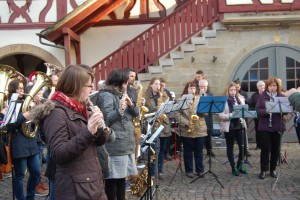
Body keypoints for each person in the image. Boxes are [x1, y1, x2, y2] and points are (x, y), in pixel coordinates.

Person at [34, 64, 110, 199]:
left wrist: (99, 127)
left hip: (91, 184)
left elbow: (99, 143)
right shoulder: (56, 113)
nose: (91, 90)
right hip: (75, 190)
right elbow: (59, 153)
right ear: (76, 86)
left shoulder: (81, 108)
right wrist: (87, 132)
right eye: (89, 86)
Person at [97, 68, 139, 200]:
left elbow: (136, 114)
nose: (127, 85)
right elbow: (106, 120)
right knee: (112, 182)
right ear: (118, 82)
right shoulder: (106, 95)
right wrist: (120, 110)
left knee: (121, 180)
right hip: (115, 145)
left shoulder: (122, 93)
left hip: (125, 143)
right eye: (125, 83)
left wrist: (131, 104)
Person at [6, 79, 41, 200]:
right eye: (18, 88)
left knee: (36, 172)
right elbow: (8, 125)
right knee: (20, 175)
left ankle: (30, 197)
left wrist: (36, 109)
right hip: (19, 143)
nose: (21, 91)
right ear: (13, 90)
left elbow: (34, 123)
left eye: (22, 88)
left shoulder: (26, 102)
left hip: (31, 143)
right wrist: (23, 116)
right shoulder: (11, 104)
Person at [174, 82, 207, 178]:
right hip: (186, 128)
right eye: (190, 88)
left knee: (199, 151)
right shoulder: (181, 100)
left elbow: (205, 114)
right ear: (186, 89)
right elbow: (177, 114)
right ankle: (189, 170)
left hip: (199, 128)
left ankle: (200, 170)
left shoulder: (200, 99)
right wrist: (185, 122)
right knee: (188, 151)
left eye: (194, 88)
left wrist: (203, 97)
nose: (192, 90)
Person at [256, 77, 286, 179]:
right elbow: (258, 111)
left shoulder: (281, 96)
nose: (272, 88)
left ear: (277, 87)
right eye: (270, 86)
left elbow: (286, 111)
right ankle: (263, 170)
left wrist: (281, 108)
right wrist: (267, 110)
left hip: (277, 126)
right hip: (264, 126)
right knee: (265, 148)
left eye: (274, 86)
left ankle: (273, 169)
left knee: (275, 149)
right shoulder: (262, 96)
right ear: (267, 87)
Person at [143, 77, 171, 180]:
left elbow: (169, 110)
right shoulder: (145, 97)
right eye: (155, 84)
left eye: (159, 84)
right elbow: (144, 112)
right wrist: (155, 111)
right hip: (152, 127)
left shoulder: (164, 96)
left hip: (163, 126)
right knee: (152, 151)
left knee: (162, 151)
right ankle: (152, 172)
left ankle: (160, 171)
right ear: (151, 85)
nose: (158, 86)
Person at [219, 82, 247, 176]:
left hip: (240, 126)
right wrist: (232, 115)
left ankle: (240, 165)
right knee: (230, 147)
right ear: (228, 91)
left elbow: (244, 111)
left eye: (234, 90)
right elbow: (221, 115)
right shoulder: (224, 101)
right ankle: (233, 167)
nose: (233, 92)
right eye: (231, 90)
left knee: (242, 148)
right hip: (230, 127)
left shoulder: (241, 99)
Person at [233, 79, 251, 157]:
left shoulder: (243, 93)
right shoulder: (231, 93)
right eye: (235, 87)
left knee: (245, 134)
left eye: (238, 87)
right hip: (234, 118)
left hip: (242, 117)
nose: (237, 89)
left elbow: (249, 102)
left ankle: (246, 150)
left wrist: (242, 98)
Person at [199, 79, 216, 157]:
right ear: (199, 87)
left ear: (207, 86)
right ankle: (199, 150)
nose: (203, 88)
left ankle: (209, 150)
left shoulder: (210, 94)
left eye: (204, 86)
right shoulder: (196, 94)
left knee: (208, 136)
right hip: (199, 118)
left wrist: (204, 95)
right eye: (201, 86)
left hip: (208, 118)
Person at [249, 80, 265, 150]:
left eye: (263, 86)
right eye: (260, 86)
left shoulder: (267, 94)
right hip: (257, 117)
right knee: (258, 131)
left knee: (265, 131)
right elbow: (250, 105)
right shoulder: (254, 95)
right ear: (257, 87)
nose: (262, 87)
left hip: (265, 116)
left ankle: (265, 145)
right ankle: (258, 145)